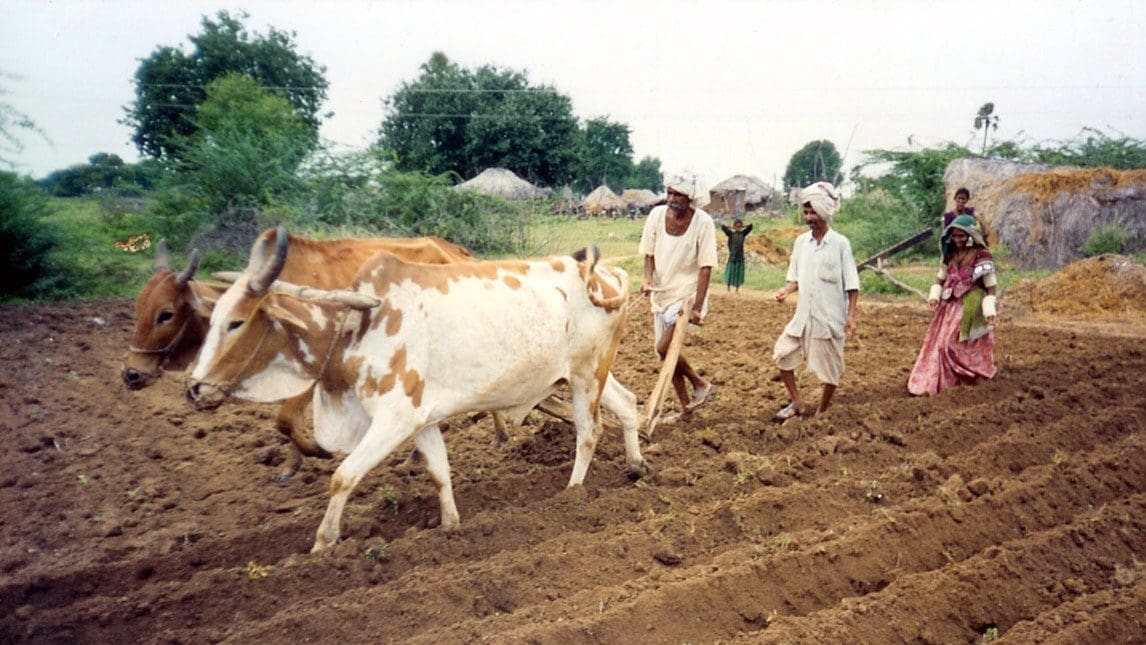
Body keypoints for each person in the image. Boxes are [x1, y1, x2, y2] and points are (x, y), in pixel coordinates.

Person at [771, 182, 860, 421]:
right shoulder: (801, 243)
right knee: (782, 355)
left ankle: (822, 410)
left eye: (814, 212)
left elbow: (852, 284)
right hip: (803, 317)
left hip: (829, 318)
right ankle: (798, 404)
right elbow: (795, 278)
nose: (809, 217)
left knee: (831, 370)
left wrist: (851, 317)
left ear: (825, 211)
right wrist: (785, 291)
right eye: (806, 212)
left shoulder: (840, 244)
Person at [639, 170, 718, 422]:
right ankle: (686, 408)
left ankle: (700, 383)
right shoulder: (655, 216)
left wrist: (697, 307)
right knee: (665, 355)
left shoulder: (703, 222)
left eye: (678, 195)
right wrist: (648, 279)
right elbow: (648, 254)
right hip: (661, 294)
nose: (672, 199)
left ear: (691, 198)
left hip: (688, 295)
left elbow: (706, 266)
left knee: (665, 346)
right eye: (670, 193)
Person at [907, 214, 998, 396]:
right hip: (948, 307)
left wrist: (989, 308)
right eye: (955, 236)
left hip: (970, 306)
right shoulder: (950, 255)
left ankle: (971, 376)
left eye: (962, 236)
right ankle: (946, 383)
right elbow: (940, 279)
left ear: (971, 235)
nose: (958, 240)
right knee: (940, 345)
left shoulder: (981, 256)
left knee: (953, 345)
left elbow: (991, 287)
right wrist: (934, 296)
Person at [721, 219, 753, 292]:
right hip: (732, 256)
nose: (738, 228)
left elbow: (750, 227)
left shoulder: (743, 234)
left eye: (739, 226)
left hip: (740, 257)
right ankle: (728, 287)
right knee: (730, 272)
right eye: (737, 226)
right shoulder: (731, 234)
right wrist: (730, 227)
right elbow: (723, 227)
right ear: (734, 227)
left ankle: (737, 289)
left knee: (738, 273)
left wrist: (744, 226)